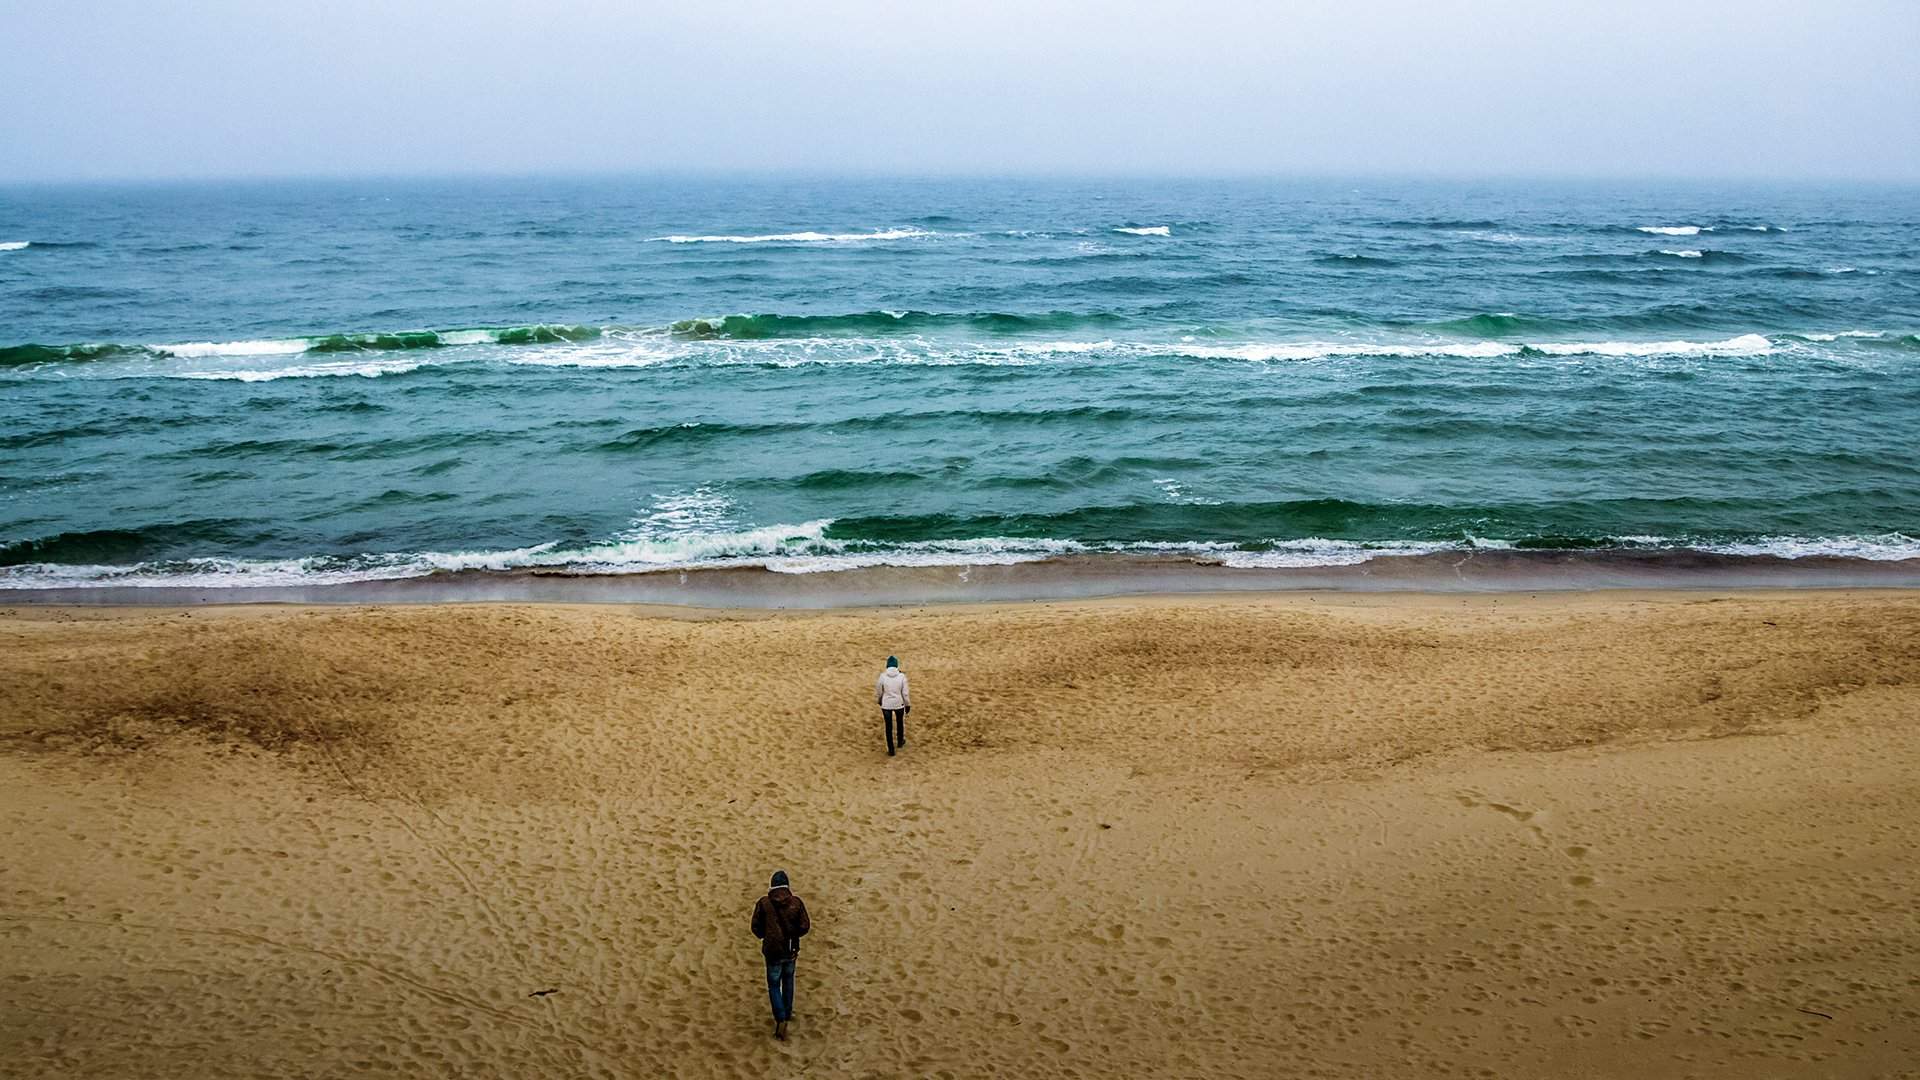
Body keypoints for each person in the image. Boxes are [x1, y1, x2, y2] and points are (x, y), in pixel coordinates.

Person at [750, 869, 810, 1040]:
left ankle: (780, 1017)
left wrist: (765, 936)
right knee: (788, 979)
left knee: (774, 984)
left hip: (772, 951)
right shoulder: (796, 903)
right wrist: (794, 935)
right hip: (790, 949)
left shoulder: (764, 903)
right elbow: (805, 926)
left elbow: (755, 927)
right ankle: (788, 1011)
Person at [876, 655, 911, 755]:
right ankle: (900, 741)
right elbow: (905, 693)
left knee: (888, 727)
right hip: (899, 703)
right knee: (900, 722)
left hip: (886, 704)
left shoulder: (882, 676)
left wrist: (880, 700)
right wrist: (907, 704)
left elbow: (879, 690)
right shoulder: (902, 677)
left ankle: (891, 749)